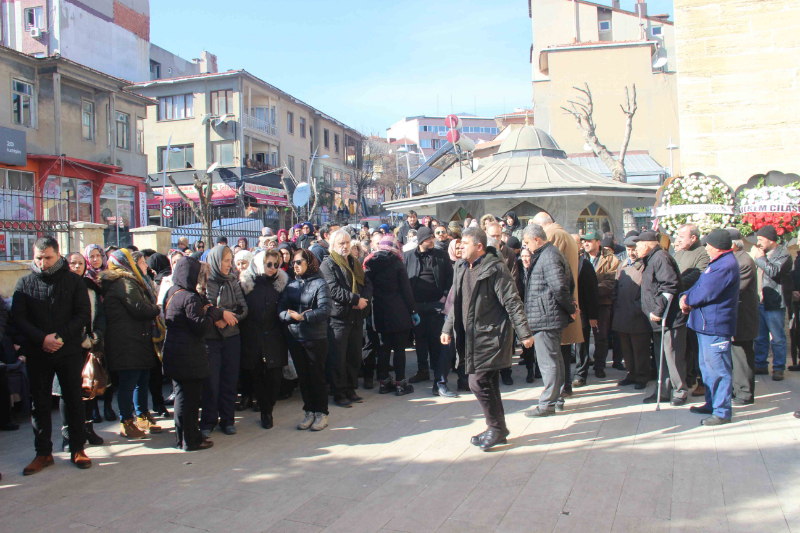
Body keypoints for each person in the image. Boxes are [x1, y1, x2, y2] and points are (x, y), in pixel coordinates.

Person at [442, 227, 533, 450]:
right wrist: (447, 329)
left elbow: (512, 301)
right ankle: (497, 428)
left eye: (465, 243)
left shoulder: (495, 269)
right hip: (470, 337)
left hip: (491, 336)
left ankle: (496, 428)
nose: (460, 246)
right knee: (489, 383)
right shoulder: (461, 267)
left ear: (479, 246)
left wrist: (524, 333)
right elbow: (456, 303)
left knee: (478, 382)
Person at [101, 248, 165, 439]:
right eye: (141, 262)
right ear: (128, 263)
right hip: (126, 341)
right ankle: (126, 422)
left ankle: (142, 415)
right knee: (129, 382)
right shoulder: (124, 282)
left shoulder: (134, 281)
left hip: (139, 338)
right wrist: (157, 308)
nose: (145, 265)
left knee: (142, 379)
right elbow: (139, 308)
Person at [680, 229, 740, 425]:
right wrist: (685, 295)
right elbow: (699, 285)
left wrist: (686, 300)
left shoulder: (725, 265)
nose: (706, 248)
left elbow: (706, 292)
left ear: (717, 247)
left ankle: (722, 411)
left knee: (718, 369)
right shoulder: (717, 263)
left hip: (716, 326)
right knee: (707, 368)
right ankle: (712, 403)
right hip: (705, 325)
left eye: (708, 245)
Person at [163, 256, 222, 451]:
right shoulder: (189, 297)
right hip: (189, 356)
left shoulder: (172, 292)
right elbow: (201, 327)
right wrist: (213, 313)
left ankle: (181, 438)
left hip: (173, 352)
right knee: (190, 401)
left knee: (181, 398)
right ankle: (191, 440)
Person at [521, 224, 577, 418]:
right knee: (554, 360)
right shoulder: (546, 254)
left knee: (549, 363)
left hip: (546, 317)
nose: (526, 247)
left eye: (527, 242)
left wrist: (570, 308)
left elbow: (560, 287)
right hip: (546, 315)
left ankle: (547, 404)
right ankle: (556, 399)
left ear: (536, 239)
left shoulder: (549, 255)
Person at [278, 249, 331, 431]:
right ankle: (309, 411)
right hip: (296, 337)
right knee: (303, 378)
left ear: (310, 262)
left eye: (299, 262)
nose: (295, 265)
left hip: (315, 338)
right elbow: (281, 308)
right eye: (293, 262)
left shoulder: (320, 284)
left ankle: (321, 413)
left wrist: (304, 317)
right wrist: (289, 316)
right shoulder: (291, 285)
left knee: (317, 376)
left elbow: (325, 310)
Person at [634, 231, 689, 406]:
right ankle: (663, 391)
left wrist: (658, 310)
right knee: (661, 357)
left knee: (673, 357)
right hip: (657, 321)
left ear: (646, 245)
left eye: (637, 246)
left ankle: (680, 391)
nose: (635, 249)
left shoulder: (661, 258)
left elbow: (669, 285)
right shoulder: (651, 259)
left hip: (669, 319)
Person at [532, 212, 583, 396]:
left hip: (556, 304)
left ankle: (560, 390)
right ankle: (564, 387)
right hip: (564, 301)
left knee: (556, 353)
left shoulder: (552, 235)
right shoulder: (566, 234)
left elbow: (553, 272)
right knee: (562, 350)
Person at [321, 230, 373, 407]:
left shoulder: (354, 262)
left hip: (356, 316)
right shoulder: (328, 264)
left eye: (347, 242)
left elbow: (366, 283)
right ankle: (339, 392)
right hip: (339, 318)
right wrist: (355, 300)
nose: (345, 246)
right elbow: (333, 290)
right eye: (341, 243)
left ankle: (351, 389)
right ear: (333, 245)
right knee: (338, 358)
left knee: (354, 356)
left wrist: (363, 300)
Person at [201, 245, 249, 437]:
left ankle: (228, 420)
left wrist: (228, 319)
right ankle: (208, 421)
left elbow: (243, 308)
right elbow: (204, 307)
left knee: (229, 381)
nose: (230, 265)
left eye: (230, 261)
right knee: (211, 383)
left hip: (231, 337)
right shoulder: (205, 282)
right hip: (210, 339)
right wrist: (220, 315)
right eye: (226, 261)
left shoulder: (232, 281)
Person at [239, 250, 289, 429]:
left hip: (275, 336)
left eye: (276, 264)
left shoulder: (282, 284)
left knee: (275, 377)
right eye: (269, 264)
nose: (273, 268)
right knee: (258, 376)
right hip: (253, 337)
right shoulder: (245, 284)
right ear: (260, 264)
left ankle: (269, 406)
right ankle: (265, 412)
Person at [403, 226, 454, 395]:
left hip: (436, 304)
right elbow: (404, 281)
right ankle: (422, 369)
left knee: (436, 339)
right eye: (428, 239)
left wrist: (444, 297)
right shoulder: (408, 256)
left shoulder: (441, 255)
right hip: (417, 305)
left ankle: (438, 373)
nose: (432, 241)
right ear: (420, 241)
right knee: (420, 339)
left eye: (432, 237)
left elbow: (450, 278)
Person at [365, 235, 418, 395]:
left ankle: (384, 382)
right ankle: (401, 383)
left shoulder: (370, 263)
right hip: (399, 311)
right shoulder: (397, 263)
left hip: (379, 311)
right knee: (399, 349)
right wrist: (413, 311)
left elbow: (367, 288)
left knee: (384, 348)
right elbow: (406, 290)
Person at [673, 223, 711, 396]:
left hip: (694, 307)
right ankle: (688, 377)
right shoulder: (678, 253)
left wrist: (675, 283)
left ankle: (702, 381)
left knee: (697, 347)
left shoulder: (703, 253)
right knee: (685, 346)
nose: (678, 240)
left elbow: (698, 276)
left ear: (693, 238)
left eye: (682, 237)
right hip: (679, 306)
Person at [753, 225, 792, 381]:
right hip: (759, 301)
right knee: (760, 337)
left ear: (770, 240)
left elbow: (774, 271)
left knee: (777, 338)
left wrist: (760, 258)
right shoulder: (762, 254)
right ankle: (760, 364)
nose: (758, 243)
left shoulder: (783, 255)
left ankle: (778, 367)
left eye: (761, 240)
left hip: (774, 302)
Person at [578, 230, 620, 380]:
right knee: (581, 338)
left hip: (602, 303)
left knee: (601, 336)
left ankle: (599, 365)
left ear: (598, 242)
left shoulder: (611, 259)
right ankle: (582, 367)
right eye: (584, 241)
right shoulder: (579, 257)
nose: (586, 244)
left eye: (589, 241)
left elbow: (611, 282)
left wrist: (591, 290)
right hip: (583, 304)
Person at [612, 235, 652, 389]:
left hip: (637, 315)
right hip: (622, 314)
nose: (631, 253)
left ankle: (642, 376)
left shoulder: (645, 266)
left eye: (634, 249)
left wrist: (637, 308)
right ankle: (632, 373)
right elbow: (616, 288)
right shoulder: (622, 265)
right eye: (628, 250)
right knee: (627, 348)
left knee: (639, 348)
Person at [84, 244, 117, 421]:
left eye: (98, 255)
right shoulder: (84, 279)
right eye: (91, 256)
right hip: (92, 330)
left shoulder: (109, 276)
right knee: (92, 369)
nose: (95, 259)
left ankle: (108, 406)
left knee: (107, 369)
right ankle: (94, 408)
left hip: (109, 328)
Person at [728, 229, 759, 406]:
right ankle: (737, 389)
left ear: (733, 244)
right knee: (735, 355)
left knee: (742, 356)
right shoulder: (734, 259)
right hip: (735, 316)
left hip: (743, 317)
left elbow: (735, 289)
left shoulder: (744, 261)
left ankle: (745, 393)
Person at [570, 235, 599, 389]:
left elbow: (592, 291)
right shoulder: (563, 261)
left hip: (582, 312)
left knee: (582, 344)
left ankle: (581, 374)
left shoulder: (584, 264)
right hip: (567, 312)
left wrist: (593, 316)